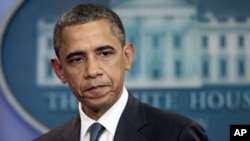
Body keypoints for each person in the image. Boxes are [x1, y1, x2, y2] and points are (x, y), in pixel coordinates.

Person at [34, 3, 209, 141]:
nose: (93, 71)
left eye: (104, 54)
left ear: (127, 57)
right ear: (60, 70)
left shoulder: (178, 134)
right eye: (77, 59)